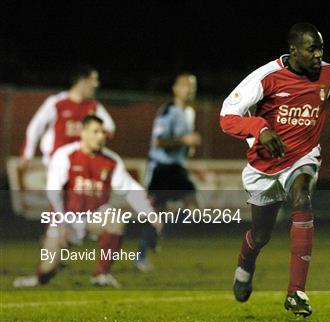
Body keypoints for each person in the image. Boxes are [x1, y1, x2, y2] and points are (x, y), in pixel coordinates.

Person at [220, 23, 330, 317]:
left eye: (321, 49)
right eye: (311, 49)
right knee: (261, 234)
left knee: (302, 197)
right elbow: (227, 116)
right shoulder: (267, 76)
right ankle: (245, 264)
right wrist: (260, 128)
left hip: (302, 158)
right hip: (264, 166)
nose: (318, 55)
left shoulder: (328, 76)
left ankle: (296, 292)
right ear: (294, 50)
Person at [13, 115, 162, 288]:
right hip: (66, 218)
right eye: (95, 131)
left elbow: (131, 189)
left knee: (115, 219)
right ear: (83, 133)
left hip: (94, 217)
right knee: (47, 268)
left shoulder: (111, 160)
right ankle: (40, 277)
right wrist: (61, 222)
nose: (100, 136)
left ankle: (101, 275)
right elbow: (54, 193)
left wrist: (150, 214)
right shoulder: (65, 155)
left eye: (103, 132)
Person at [134, 73, 201, 272]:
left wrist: (188, 151)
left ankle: (155, 236)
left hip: (176, 168)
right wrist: (183, 141)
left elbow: (183, 142)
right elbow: (159, 141)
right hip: (161, 168)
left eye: (192, 86)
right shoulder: (168, 111)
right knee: (159, 213)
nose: (189, 89)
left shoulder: (189, 112)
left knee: (193, 207)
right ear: (175, 88)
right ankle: (141, 256)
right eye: (185, 85)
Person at [20, 65, 115, 169]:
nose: (96, 84)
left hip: (83, 163)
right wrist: (27, 153)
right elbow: (36, 127)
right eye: (93, 80)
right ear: (82, 81)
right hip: (56, 163)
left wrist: (95, 132)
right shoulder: (57, 103)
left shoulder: (94, 106)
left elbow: (110, 128)